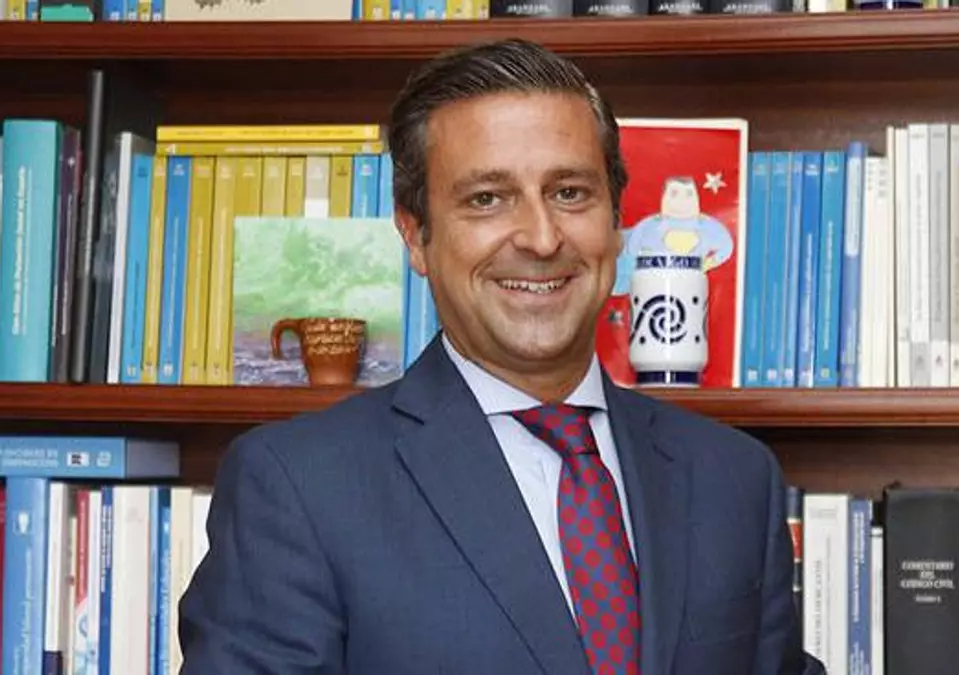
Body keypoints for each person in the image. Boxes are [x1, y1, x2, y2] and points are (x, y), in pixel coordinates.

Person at [177, 37, 827, 675]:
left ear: (617, 221)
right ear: (416, 236)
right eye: (487, 198)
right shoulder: (298, 485)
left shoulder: (735, 478)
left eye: (570, 192)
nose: (541, 238)